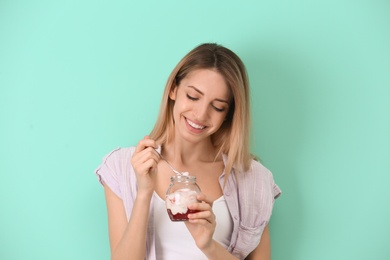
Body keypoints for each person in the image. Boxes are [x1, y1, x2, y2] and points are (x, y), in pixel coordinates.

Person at [95, 43, 281, 260]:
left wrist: (208, 245)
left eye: (218, 106)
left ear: (228, 114)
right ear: (173, 89)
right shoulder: (122, 166)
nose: (201, 114)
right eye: (193, 96)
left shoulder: (254, 179)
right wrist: (144, 192)